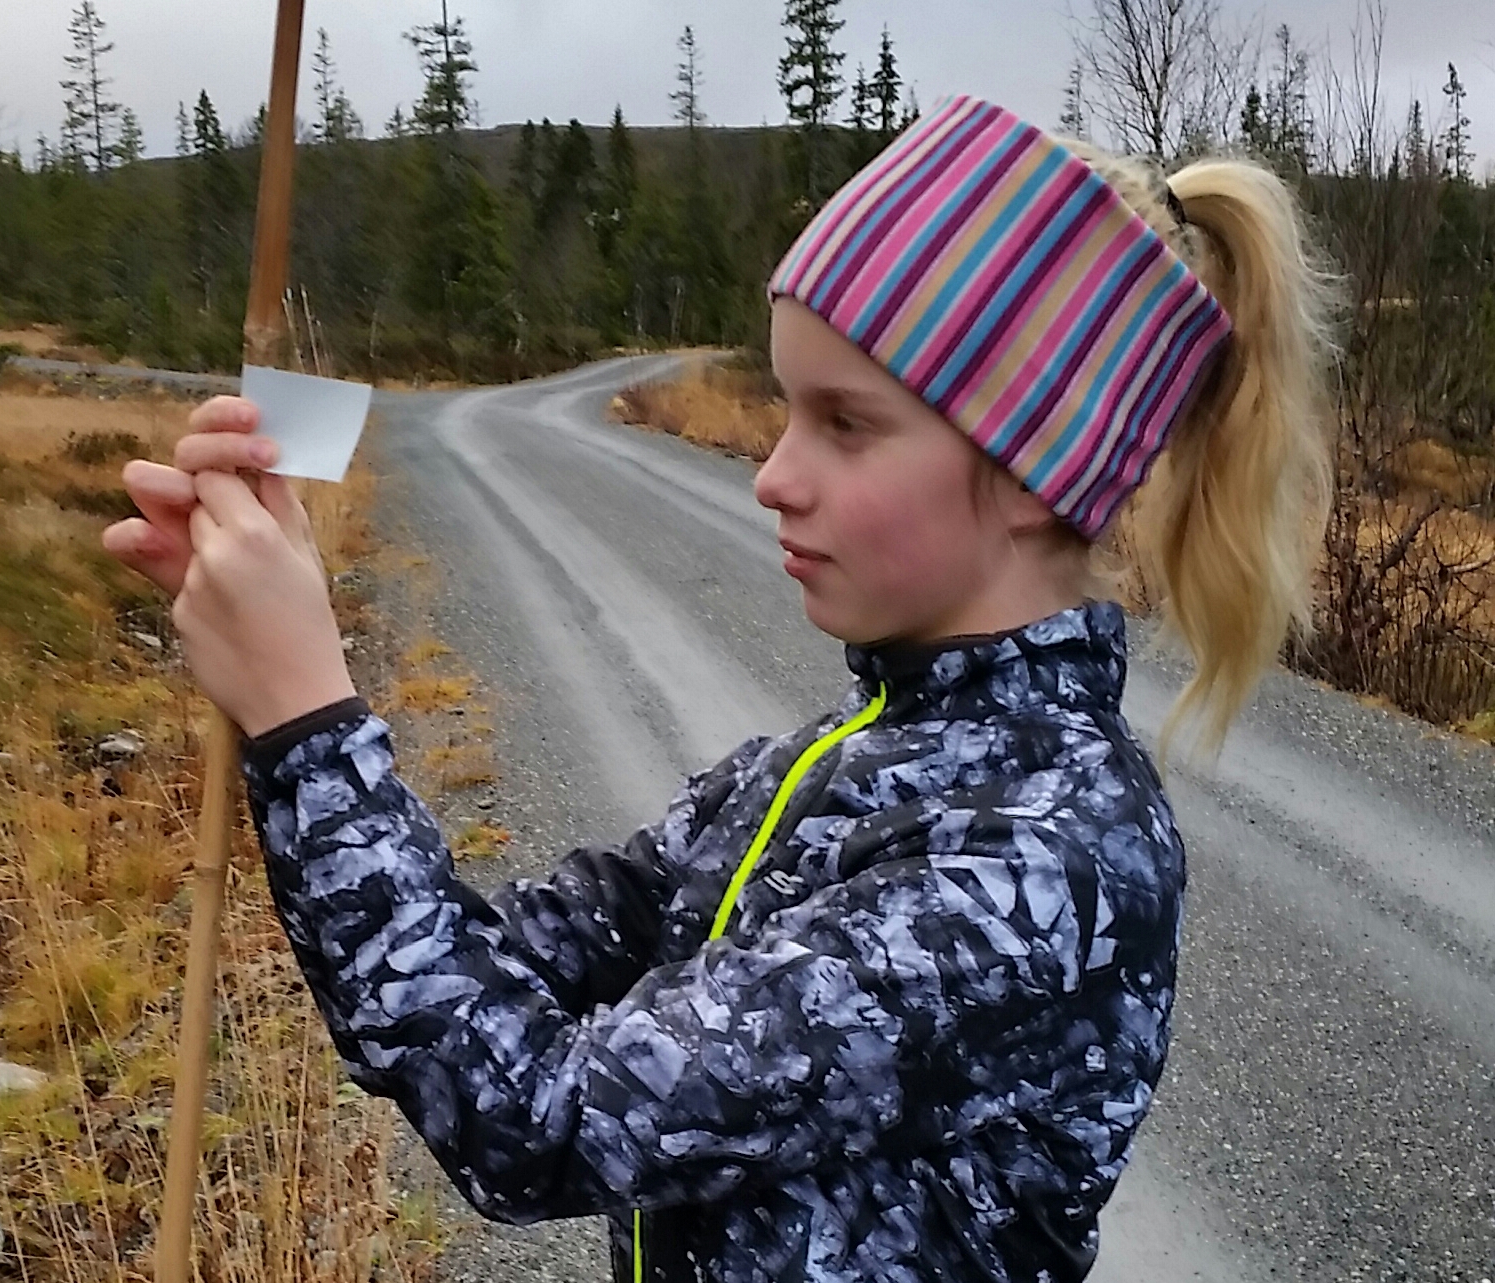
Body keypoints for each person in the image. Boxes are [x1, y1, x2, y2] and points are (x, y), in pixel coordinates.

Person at [103, 95, 1340, 1283]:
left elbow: (538, 1116)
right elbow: (500, 968)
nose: (773, 478)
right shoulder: (818, 770)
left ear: (1033, 471)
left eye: (846, 424)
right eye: (785, 410)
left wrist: (309, 722)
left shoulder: (1041, 861)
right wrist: (283, 640)